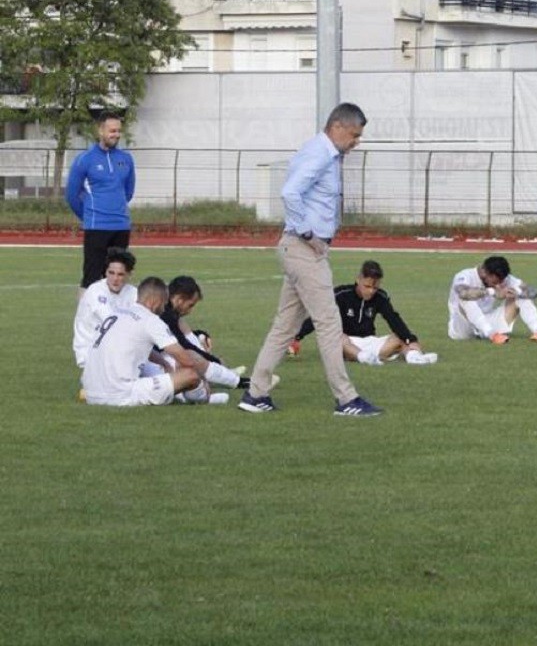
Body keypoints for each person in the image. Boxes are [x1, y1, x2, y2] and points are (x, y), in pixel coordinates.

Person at [238, 102, 380, 417]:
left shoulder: (322, 153)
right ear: (339, 127)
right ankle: (346, 399)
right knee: (329, 323)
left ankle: (255, 394)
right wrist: (307, 235)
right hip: (303, 250)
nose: (356, 142)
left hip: (301, 249)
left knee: (285, 326)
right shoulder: (319, 154)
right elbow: (290, 193)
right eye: (355, 135)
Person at [80, 277, 205, 407]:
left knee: (162, 373)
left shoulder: (116, 314)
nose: (163, 308)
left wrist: (163, 363)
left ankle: (179, 396)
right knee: (190, 374)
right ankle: (206, 398)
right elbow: (186, 360)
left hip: (91, 393)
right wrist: (202, 378)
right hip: (121, 395)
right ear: (155, 301)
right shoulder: (151, 320)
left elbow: (135, 344)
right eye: (164, 303)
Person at [290, 259, 437, 366]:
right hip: (346, 343)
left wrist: (410, 340)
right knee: (335, 335)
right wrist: (297, 336)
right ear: (358, 279)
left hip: (370, 342)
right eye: (367, 286)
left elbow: (393, 319)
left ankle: (414, 357)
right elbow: (319, 317)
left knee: (399, 337)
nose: (371, 291)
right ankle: (363, 357)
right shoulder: (341, 294)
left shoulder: (381, 297)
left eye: (375, 287)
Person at [65, 112, 136, 292]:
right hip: (96, 227)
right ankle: (84, 320)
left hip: (121, 226)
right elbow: (72, 195)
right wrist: (89, 216)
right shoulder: (85, 159)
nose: (116, 134)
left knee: (116, 278)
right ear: (100, 131)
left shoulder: (126, 159)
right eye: (112, 130)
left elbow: (128, 191)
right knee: (91, 278)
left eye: (119, 131)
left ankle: (112, 319)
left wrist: (116, 209)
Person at [447, 255, 537, 344]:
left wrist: (517, 292)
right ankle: (492, 335)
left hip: (487, 320)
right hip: (462, 327)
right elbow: (462, 292)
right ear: (484, 272)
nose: (499, 285)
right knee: (465, 298)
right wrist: (493, 292)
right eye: (495, 282)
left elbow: (534, 292)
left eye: (501, 282)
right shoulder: (465, 275)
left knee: (521, 296)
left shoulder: (503, 279)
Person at [73, 248, 137, 368]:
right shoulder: (95, 291)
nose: (115, 279)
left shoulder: (133, 293)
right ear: (105, 272)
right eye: (111, 273)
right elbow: (113, 322)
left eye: (120, 274)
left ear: (129, 274)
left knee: (164, 369)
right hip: (91, 352)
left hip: (119, 350)